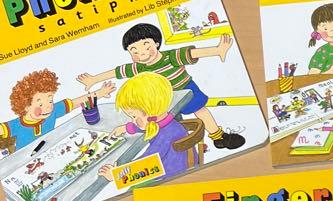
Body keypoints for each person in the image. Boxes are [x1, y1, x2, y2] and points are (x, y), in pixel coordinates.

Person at [78, 22, 245, 149]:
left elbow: (192, 53)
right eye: (134, 51)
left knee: (201, 111)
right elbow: (117, 72)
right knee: (171, 122)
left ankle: (218, 137)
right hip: (161, 100)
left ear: (156, 43)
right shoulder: (138, 67)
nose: (142, 54)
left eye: (146, 46)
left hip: (186, 89)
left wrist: (217, 50)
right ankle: (181, 143)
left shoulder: (171, 57)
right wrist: (94, 79)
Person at [97, 72, 193, 183]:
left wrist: (116, 175)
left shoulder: (165, 136)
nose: (133, 121)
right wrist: (126, 128)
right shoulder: (165, 121)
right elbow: (148, 126)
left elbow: (146, 164)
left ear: (149, 112)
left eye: (134, 116)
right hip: (176, 169)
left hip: (171, 179)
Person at [3, 68, 114, 150]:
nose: (48, 107)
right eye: (40, 104)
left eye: (50, 101)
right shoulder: (16, 125)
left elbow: (76, 102)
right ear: (26, 106)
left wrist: (101, 93)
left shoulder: (53, 111)